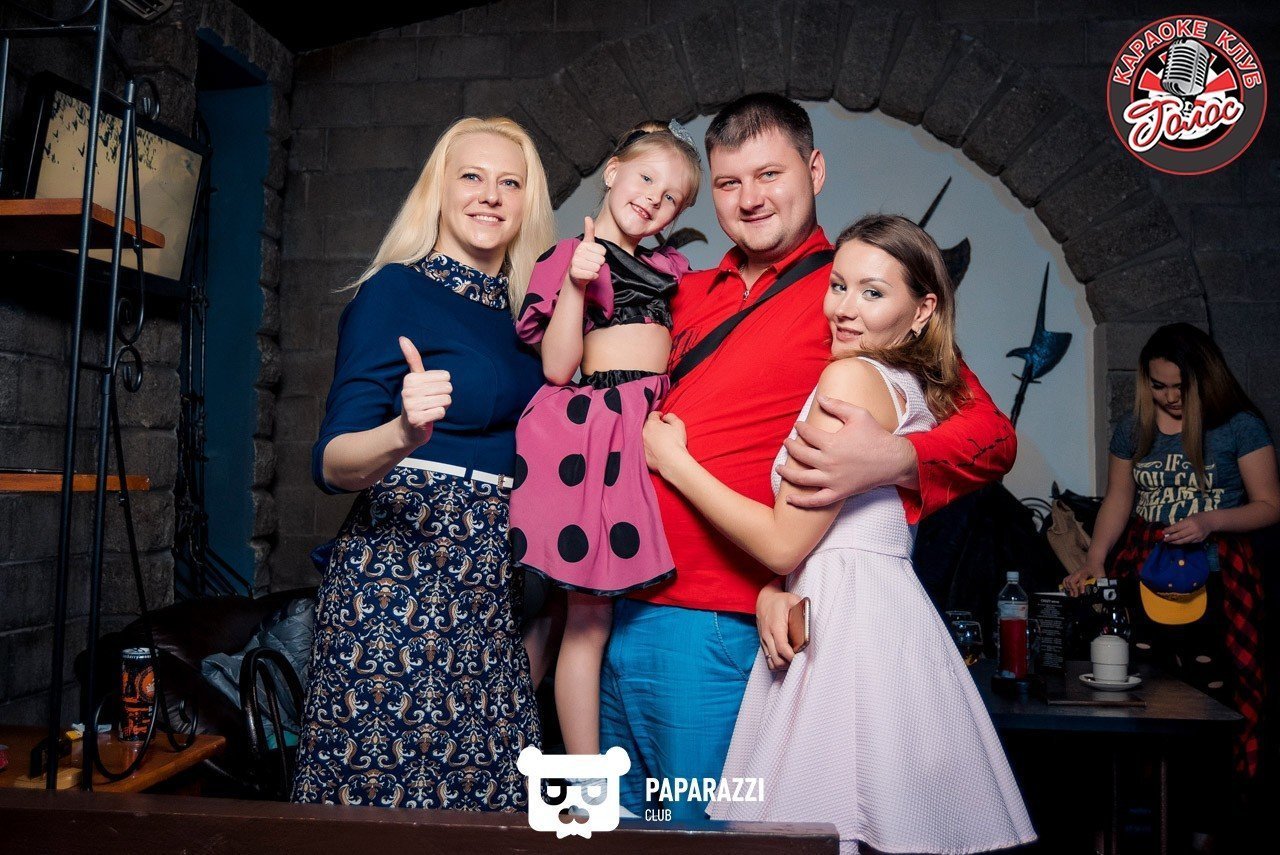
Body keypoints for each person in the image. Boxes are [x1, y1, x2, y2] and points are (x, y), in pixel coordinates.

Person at [599, 93, 1018, 820]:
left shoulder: (851, 298)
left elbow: (992, 436)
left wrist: (893, 459)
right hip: (618, 609)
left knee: (704, 835)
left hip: (720, 625)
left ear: (815, 170)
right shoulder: (682, 291)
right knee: (622, 832)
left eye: (771, 174)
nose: (750, 198)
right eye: (729, 182)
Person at [645, 214, 1035, 853]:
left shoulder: (850, 378)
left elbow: (783, 540)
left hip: (846, 628)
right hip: (873, 613)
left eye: (872, 293)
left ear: (922, 311)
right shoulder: (907, 380)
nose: (844, 309)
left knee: (815, 829)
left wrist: (674, 461)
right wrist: (774, 587)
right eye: (838, 286)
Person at [290, 116, 555, 811]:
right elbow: (332, 462)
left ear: (528, 202)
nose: (490, 195)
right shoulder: (395, 291)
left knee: (490, 808)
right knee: (383, 809)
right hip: (399, 589)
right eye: (471, 176)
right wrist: (403, 432)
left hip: (493, 586)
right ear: (438, 189)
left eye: (510, 182)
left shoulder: (535, 318)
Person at [510, 121, 702, 759]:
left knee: (576, 618)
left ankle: (521, 764)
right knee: (587, 620)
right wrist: (575, 282)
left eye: (671, 196)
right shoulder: (572, 255)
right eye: (646, 177)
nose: (653, 198)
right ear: (613, 171)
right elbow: (557, 366)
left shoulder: (670, 268)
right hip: (594, 437)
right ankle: (585, 788)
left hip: (643, 433)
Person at [1064, 323, 1276, 785]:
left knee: (1215, 692)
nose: (1170, 397)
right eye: (1159, 386)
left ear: (1204, 378)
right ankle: (1147, 799)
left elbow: (1269, 505)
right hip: (1144, 573)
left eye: (1180, 386)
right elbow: (1118, 498)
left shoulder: (1239, 425)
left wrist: (1210, 521)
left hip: (1218, 577)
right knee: (1143, 685)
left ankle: (1212, 805)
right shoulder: (1134, 428)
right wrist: (1096, 558)